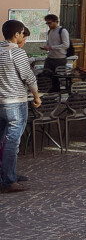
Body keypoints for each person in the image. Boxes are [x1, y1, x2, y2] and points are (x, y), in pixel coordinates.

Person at [1, 20, 40, 194]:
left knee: (2, 140)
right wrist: (36, 96)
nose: (23, 36)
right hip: (15, 102)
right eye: (22, 33)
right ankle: (9, 180)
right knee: (12, 141)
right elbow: (29, 77)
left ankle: (8, 174)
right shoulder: (16, 53)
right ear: (17, 35)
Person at [40, 14, 69, 91]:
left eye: (50, 23)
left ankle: (57, 94)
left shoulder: (62, 31)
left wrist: (51, 47)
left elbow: (66, 45)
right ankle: (49, 93)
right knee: (46, 76)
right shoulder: (50, 31)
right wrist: (46, 47)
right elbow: (50, 43)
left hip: (59, 59)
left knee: (57, 78)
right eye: (47, 23)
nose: (48, 25)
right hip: (50, 57)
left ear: (56, 22)